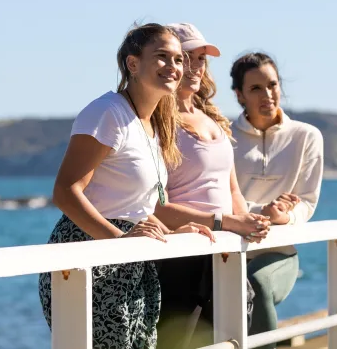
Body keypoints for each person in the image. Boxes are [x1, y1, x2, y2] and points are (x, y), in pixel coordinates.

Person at [38, 23, 214, 349]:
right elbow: (65, 192)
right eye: (162, 57)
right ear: (133, 64)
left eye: (178, 59)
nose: (174, 67)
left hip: (133, 259)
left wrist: (172, 232)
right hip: (90, 258)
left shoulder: (151, 123)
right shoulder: (108, 113)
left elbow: (134, 204)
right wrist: (119, 241)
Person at [153, 23, 270, 349]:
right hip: (181, 256)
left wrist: (248, 223)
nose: (195, 67)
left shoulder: (213, 119)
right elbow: (155, 206)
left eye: (201, 59)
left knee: (228, 341)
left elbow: (232, 190)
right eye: (186, 57)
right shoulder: (156, 121)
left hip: (223, 251)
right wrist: (229, 223)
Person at [229, 52, 324, 348]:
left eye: (272, 85)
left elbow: (307, 202)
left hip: (279, 254)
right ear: (239, 95)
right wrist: (263, 211)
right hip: (228, 252)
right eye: (256, 88)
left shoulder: (306, 136)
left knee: (255, 283)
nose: (267, 95)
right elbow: (219, 200)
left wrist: (285, 217)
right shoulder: (223, 136)